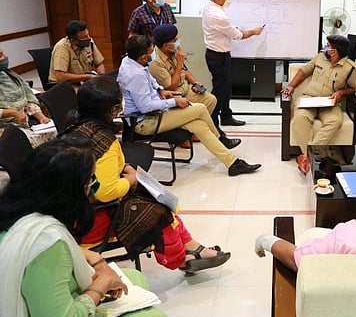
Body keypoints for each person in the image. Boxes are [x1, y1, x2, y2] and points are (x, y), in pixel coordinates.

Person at [63, 76, 231, 273]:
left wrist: (125, 168)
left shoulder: (73, 130)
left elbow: (97, 170)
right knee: (158, 211)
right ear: (114, 110)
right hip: (92, 220)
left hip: (74, 211)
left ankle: (192, 247)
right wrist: (132, 179)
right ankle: (181, 259)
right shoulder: (106, 142)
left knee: (156, 197)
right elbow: (105, 192)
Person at [0, 137, 165, 316]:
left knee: (135, 277)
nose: (94, 185)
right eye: (92, 179)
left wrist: (94, 257)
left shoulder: (15, 211)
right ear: (73, 190)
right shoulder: (49, 242)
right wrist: (101, 285)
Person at [117, 35, 261, 176]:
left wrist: (161, 90)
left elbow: (150, 79)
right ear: (143, 57)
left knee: (200, 125)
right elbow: (145, 107)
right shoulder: (135, 75)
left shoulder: (130, 61)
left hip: (156, 114)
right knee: (200, 108)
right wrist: (174, 101)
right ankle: (220, 138)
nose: (154, 54)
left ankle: (233, 163)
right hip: (145, 122)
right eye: (151, 52)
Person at [148, 24, 241, 150]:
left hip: (185, 88)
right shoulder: (155, 62)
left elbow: (184, 70)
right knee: (199, 109)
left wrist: (195, 83)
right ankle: (216, 137)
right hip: (173, 95)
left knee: (211, 100)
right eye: (174, 40)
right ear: (165, 45)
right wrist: (179, 63)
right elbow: (171, 86)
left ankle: (192, 132)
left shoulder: (172, 50)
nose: (177, 41)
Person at [281, 35, 356, 174]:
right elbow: (304, 71)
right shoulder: (320, 58)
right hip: (309, 98)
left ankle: (307, 156)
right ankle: (309, 156)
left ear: (334, 51)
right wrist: (291, 86)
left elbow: (353, 88)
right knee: (300, 118)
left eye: (328, 46)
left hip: (329, 103)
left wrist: (341, 93)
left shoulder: (351, 68)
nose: (325, 48)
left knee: (335, 121)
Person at [202, 0, 264, 127]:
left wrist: (236, 30)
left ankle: (226, 116)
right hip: (217, 56)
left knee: (226, 87)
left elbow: (230, 30)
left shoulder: (210, 6)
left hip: (220, 54)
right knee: (220, 89)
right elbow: (238, 35)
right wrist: (254, 32)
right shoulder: (218, 15)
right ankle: (212, 120)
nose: (228, 0)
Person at [0, 47, 50, 128]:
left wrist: (41, 117)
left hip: (25, 119)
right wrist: (12, 113)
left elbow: (29, 98)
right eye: (0, 56)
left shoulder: (9, 75)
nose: (5, 57)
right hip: (6, 127)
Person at [49, 20, 106, 85]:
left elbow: (99, 64)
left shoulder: (89, 42)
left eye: (88, 34)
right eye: (84, 37)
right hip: (65, 85)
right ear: (73, 40)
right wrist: (87, 77)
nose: (89, 38)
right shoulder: (62, 48)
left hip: (84, 81)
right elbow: (61, 76)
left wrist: (102, 77)